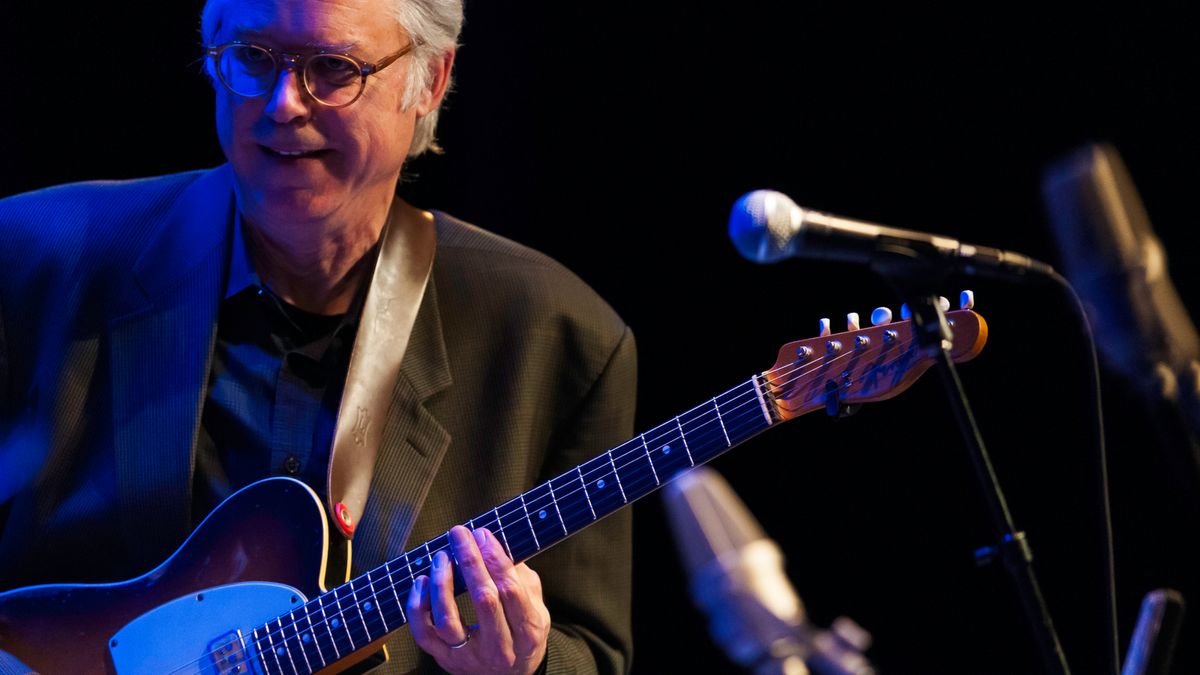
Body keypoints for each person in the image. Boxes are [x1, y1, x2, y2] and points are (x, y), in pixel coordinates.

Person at [0, 0, 636, 673]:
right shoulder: (29, 262)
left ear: (432, 78)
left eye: (333, 67)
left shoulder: (559, 337)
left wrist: (525, 664)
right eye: (252, 58)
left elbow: (592, 653)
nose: (282, 104)